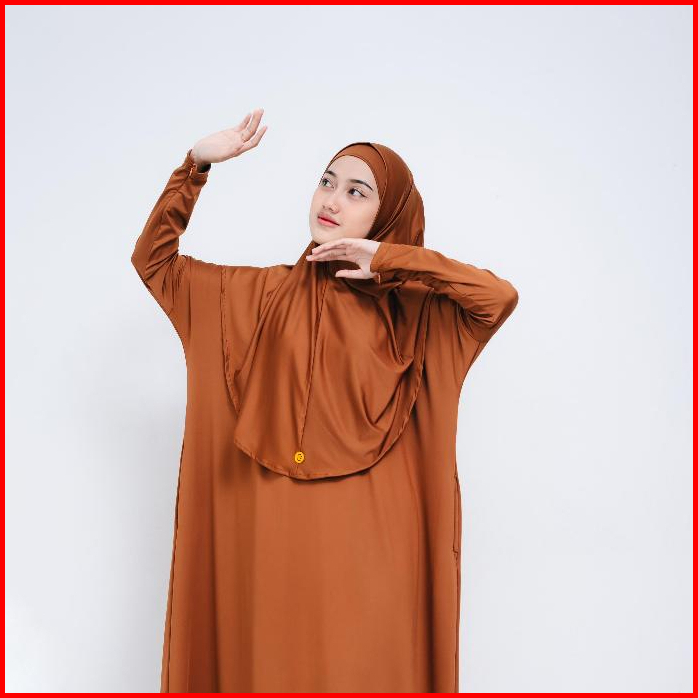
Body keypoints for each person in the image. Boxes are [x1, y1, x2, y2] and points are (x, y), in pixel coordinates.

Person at [131, 107, 519, 693]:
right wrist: (195, 167)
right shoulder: (247, 298)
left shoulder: (423, 319)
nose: (331, 200)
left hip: (372, 571)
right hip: (262, 564)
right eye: (326, 182)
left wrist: (389, 259)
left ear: (387, 215)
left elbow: (498, 297)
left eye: (357, 192)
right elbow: (154, 261)